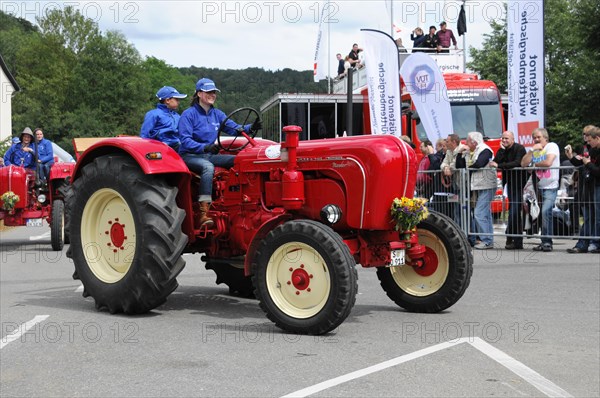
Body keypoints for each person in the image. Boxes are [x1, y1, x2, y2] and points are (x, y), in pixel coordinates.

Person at [178, 78, 260, 227]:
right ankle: (203, 213)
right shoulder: (188, 115)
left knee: (239, 161)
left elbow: (235, 128)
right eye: (209, 92)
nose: (212, 95)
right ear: (199, 94)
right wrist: (204, 147)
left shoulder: (217, 114)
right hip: (189, 156)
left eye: (214, 92)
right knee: (207, 167)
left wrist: (250, 127)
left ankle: (238, 203)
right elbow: (185, 141)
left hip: (208, 155)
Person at [521, 127, 560, 252]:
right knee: (542, 215)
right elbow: (523, 164)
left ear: (546, 138)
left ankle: (547, 242)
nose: (536, 140)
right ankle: (544, 241)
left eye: (539, 137)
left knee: (545, 212)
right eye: (534, 138)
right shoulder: (535, 150)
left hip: (551, 186)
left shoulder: (551, 146)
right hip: (539, 187)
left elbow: (548, 162)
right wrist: (531, 151)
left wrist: (534, 164)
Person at [456, 132, 496, 249]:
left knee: (479, 213)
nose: (465, 143)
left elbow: (480, 163)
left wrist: (468, 168)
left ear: (474, 142)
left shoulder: (485, 150)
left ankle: (487, 240)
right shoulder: (469, 152)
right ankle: (488, 239)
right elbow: (460, 166)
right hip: (477, 185)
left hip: (487, 184)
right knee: (485, 214)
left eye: (467, 141)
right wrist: (459, 153)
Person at [489, 131, 527, 249]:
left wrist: (501, 165)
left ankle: (514, 240)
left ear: (512, 139)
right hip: (510, 184)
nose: (504, 140)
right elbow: (495, 162)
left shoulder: (519, 148)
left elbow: (517, 163)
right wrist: (501, 151)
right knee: (513, 212)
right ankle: (511, 239)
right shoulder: (503, 150)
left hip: (520, 183)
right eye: (503, 138)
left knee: (515, 212)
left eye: (506, 138)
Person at [565, 125, 598, 253]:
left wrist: (588, 163)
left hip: (595, 185)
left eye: (588, 135)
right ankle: (583, 244)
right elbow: (580, 162)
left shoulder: (595, 148)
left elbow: (591, 165)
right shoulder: (586, 147)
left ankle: (593, 243)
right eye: (584, 134)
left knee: (594, 217)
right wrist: (571, 157)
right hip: (586, 186)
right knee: (588, 217)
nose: (585, 137)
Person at [141, 86, 188, 151]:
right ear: (167, 100)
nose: (178, 102)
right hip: (159, 147)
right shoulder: (153, 114)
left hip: (177, 146)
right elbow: (144, 135)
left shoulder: (177, 116)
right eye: (176, 99)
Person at [441, 134, 468, 224]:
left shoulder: (463, 149)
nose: (445, 143)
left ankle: (469, 235)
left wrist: (449, 168)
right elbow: (443, 163)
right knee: (456, 209)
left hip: (463, 184)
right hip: (455, 185)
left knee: (464, 210)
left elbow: (455, 165)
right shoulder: (449, 152)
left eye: (447, 141)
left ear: (454, 142)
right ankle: (459, 231)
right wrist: (445, 168)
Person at [582, 126, 600, 254]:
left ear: (597, 138)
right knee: (597, 216)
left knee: (598, 216)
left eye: (590, 141)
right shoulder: (593, 150)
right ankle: (595, 242)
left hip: (598, 184)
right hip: (595, 185)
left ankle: (596, 242)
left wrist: (588, 163)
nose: (588, 143)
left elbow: (598, 171)